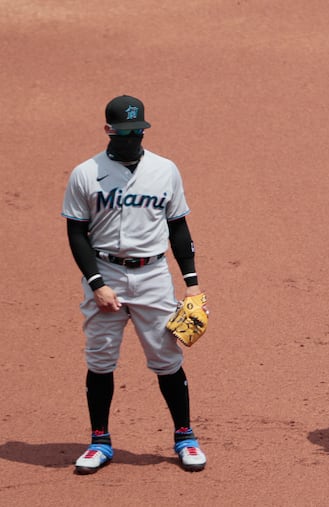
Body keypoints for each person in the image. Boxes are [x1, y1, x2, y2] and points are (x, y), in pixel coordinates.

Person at [62, 95, 208, 474]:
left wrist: (191, 283)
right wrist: (96, 283)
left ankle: (184, 436)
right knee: (100, 359)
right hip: (105, 274)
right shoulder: (85, 173)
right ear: (109, 130)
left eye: (138, 132)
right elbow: (76, 233)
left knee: (167, 358)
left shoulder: (165, 170)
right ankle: (99, 441)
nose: (133, 139)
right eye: (125, 133)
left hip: (153, 276)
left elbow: (178, 225)